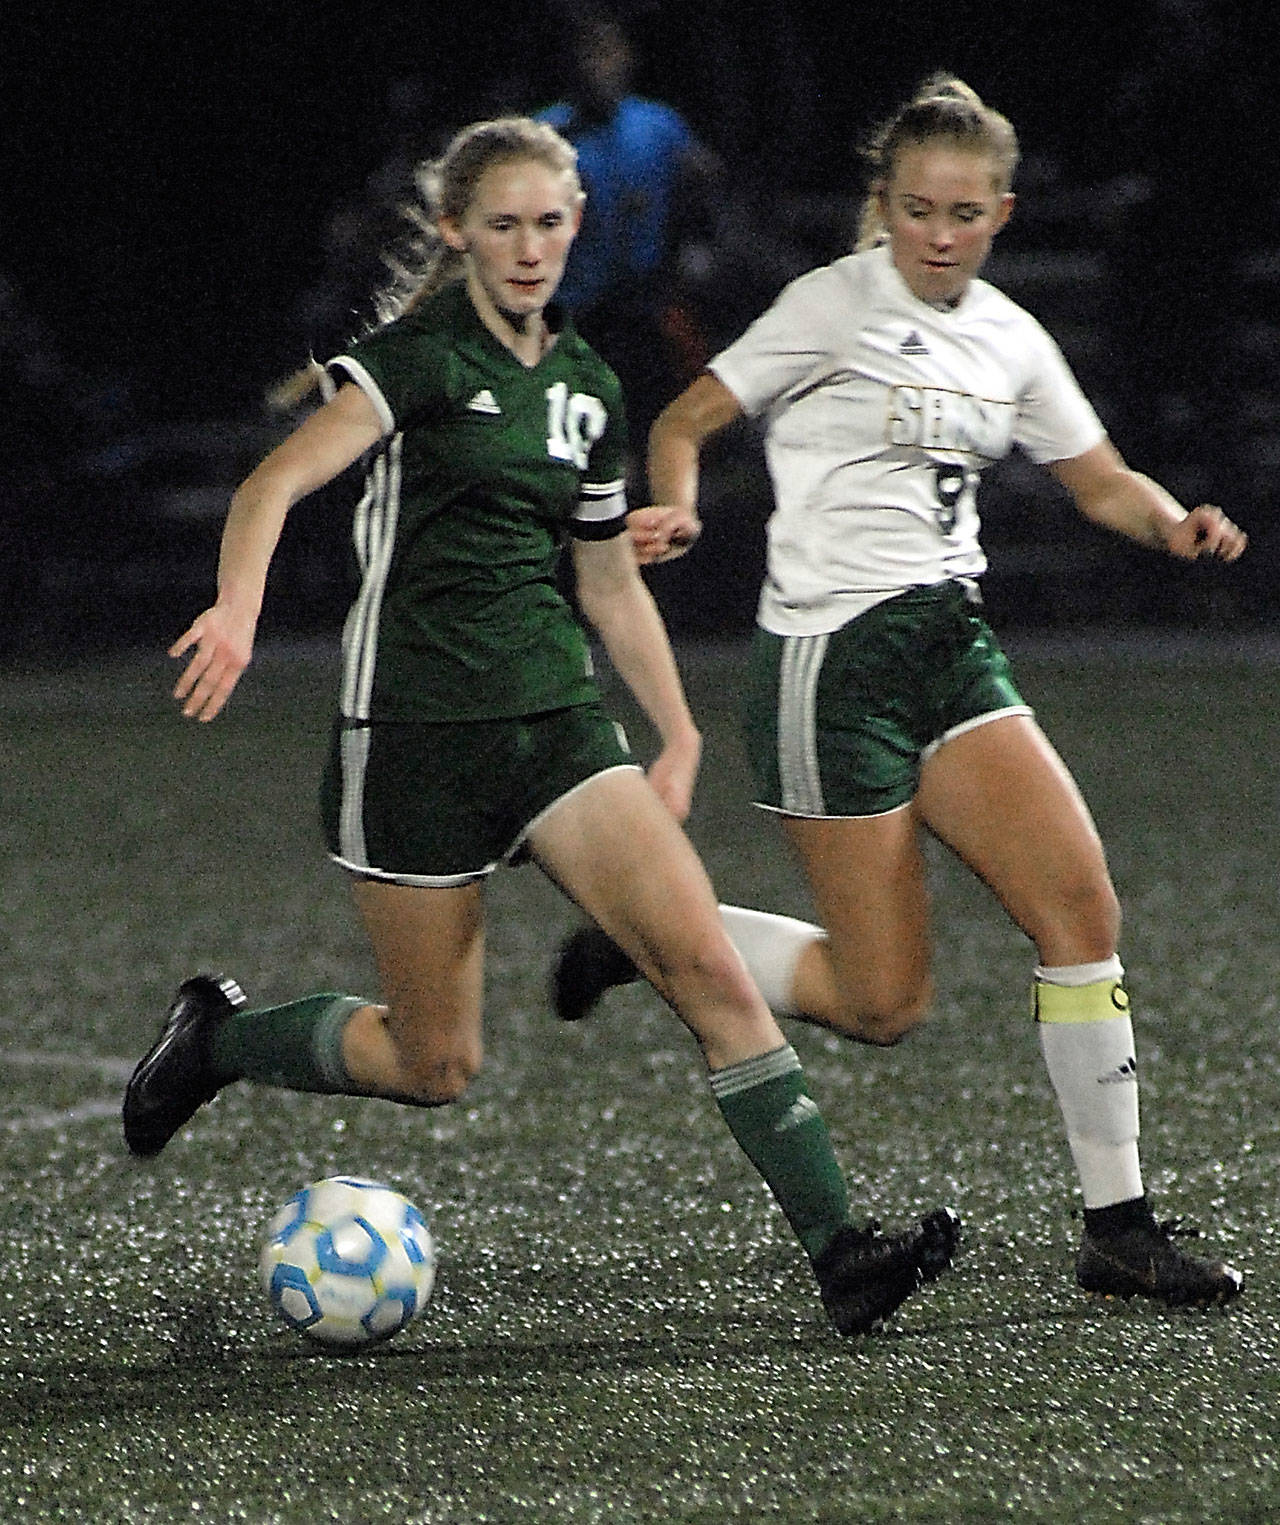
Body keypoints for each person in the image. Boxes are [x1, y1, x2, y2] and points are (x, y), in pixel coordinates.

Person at [121, 116, 960, 1337]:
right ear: (457, 231)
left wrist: (672, 734)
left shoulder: (586, 388)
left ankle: (842, 1253)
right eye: (502, 225)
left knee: (708, 971)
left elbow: (607, 582)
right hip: (411, 741)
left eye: (549, 224)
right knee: (433, 1064)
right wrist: (239, 613)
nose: (528, 249)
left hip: (557, 731)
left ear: (579, 228)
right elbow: (273, 482)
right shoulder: (414, 359)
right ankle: (220, 1042)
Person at [552, 77, 1248, 1308]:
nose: (938, 232)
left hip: (949, 652)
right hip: (831, 667)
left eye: (964, 212)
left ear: (1001, 213)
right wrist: (681, 503)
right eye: (917, 207)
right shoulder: (829, 304)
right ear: (882, 204)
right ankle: (652, 936)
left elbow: (1096, 479)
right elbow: (687, 416)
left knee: (1080, 911)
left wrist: (1171, 521)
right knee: (881, 1005)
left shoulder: (1008, 335)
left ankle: (1118, 1226)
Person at [535, 10, 722, 453]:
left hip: (646, 302)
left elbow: (703, 182)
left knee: (654, 415)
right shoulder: (547, 133)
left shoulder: (656, 125)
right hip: (574, 312)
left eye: (606, 52)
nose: (596, 65)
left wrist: (695, 245)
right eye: (586, 54)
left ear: (625, 58)